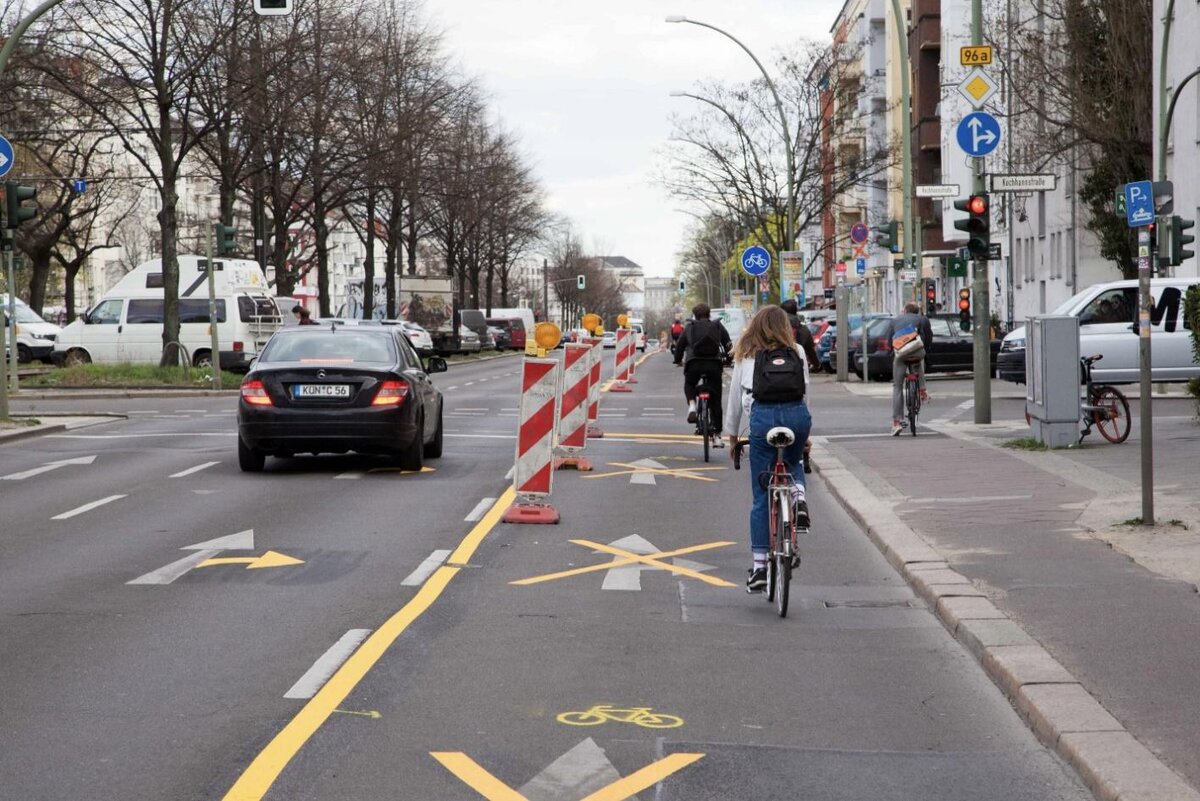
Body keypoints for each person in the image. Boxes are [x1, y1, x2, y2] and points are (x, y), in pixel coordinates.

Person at [724, 305, 812, 592]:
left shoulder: (747, 352)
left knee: (762, 496)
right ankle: (798, 496)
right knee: (794, 461)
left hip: (762, 422)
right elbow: (804, 391)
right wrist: (806, 434)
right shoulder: (796, 350)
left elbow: (736, 399)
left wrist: (733, 436)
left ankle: (760, 568)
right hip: (796, 417)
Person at [672, 303, 732, 448]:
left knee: (690, 384)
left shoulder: (690, 327)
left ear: (695, 315)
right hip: (714, 364)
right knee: (716, 399)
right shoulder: (717, 326)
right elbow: (728, 345)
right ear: (709, 314)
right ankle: (717, 436)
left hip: (694, 363)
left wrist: (678, 360)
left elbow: (680, 346)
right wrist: (728, 361)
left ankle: (692, 405)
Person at [885, 302, 933, 435]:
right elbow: (928, 338)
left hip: (901, 354)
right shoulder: (922, 319)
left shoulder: (895, 320)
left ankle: (897, 423)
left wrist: (891, 351)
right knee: (919, 360)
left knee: (898, 386)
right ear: (917, 311)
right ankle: (922, 390)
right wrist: (926, 349)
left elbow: (889, 340)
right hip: (917, 352)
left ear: (905, 311)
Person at [779, 298, 819, 370]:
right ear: (796, 312)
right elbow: (810, 351)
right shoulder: (803, 329)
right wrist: (816, 365)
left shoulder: (775, 327)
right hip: (796, 367)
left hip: (775, 366)